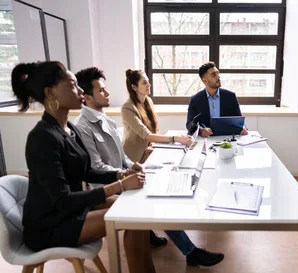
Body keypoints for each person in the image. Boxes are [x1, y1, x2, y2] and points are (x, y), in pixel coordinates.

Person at [13, 61, 154, 273]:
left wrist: (122, 173)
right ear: (50, 94)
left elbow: (87, 171)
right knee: (132, 218)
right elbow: (63, 200)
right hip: (50, 225)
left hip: (71, 210)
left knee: (138, 212)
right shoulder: (42, 138)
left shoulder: (69, 128)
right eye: (72, 85)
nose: (80, 91)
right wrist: (120, 185)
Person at [75, 67, 224, 267]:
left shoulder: (107, 121)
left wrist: (133, 166)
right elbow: (96, 168)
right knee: (154, 203)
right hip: (104, 189)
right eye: (101, 90)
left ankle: (183, 247)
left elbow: (121, 158)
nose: (108, 93)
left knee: (163, 187)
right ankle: (190, 252)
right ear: (86, 97)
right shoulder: (82, 127)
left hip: (124, 178)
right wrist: (125, 174)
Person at [121, 69, 193, 163]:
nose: (149, 85)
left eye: (148, 81)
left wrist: (152, 145)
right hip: (134, 157)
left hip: (149, 150)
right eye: (144, 83)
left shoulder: (148, 101)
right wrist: (176, 138)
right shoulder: (127, 108)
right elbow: (146, 134)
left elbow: (154, 130)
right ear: (134, 87)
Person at [186, 61, 248, 137]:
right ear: (204, 80)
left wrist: (243, 128)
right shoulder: (195, 99)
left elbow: (239, 121)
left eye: (218, 73)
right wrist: (200, 131)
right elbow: (189, 124)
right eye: (213, 75)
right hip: (206, 139)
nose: (218, 77)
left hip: (227, 139)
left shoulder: (231, 96)